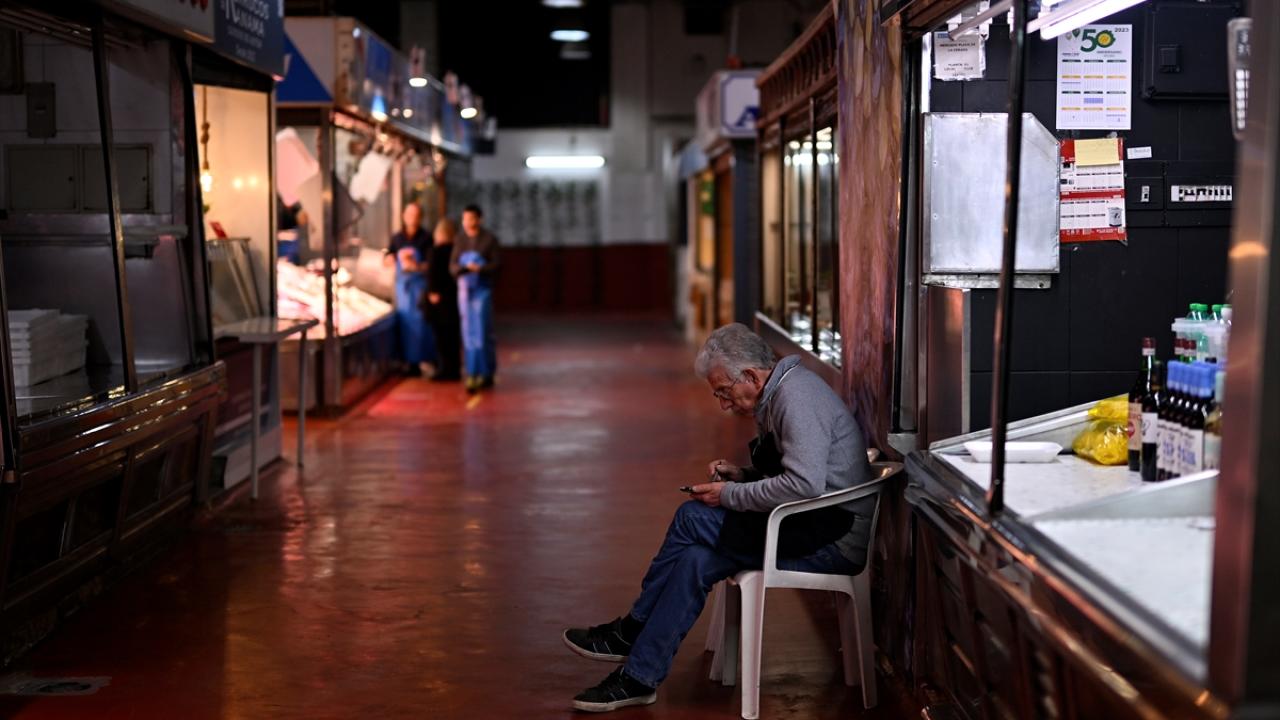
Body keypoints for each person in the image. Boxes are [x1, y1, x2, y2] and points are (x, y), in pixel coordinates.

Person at [562, 323, 875, 713]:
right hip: (805, 523)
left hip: (831, 539)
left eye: (725, 392)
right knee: (696, 559)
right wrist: (742, 475)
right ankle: (639, 677)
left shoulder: (796, 398)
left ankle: (632, 629)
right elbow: (796, 475)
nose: (724, 405)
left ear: (751, 377)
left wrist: (728, 495)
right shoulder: (778, 394)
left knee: (692, 516)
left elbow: (805, 485)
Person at [450, 204, 500, 393]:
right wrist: (463, 269)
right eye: (465, 219)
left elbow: (497, 264)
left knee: (482, 331)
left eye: (471, 219)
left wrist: (481, 268)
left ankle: (486, 372)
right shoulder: (460, 240)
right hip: (465, 291)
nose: (467, 223)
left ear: (479, 219)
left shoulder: (489, 240)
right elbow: (453, 265)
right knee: (468, 332)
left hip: (482, 290)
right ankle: (471, 372)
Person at [386, 203, 435, 376]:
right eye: (409, 214)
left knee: (421, 324)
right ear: (403, 216)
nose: (412, 218)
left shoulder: (427, 238)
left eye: (416, 215)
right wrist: (391, 259)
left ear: (420, 217)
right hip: (402, 288)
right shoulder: (397, 238)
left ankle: (422, 360)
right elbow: (388, 256)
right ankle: (407, 361)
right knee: (404, 324)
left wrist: (417, 266)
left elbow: (432, 264)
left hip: (419, 286)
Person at [422, 218, 462, 381]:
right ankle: (455, 368)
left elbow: (431, 274)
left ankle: (445, 369)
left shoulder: (435, 251)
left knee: (441, 337)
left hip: (438, 300)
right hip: (454, 298)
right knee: (453, 335)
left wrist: (432, 292)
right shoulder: (457, 251)